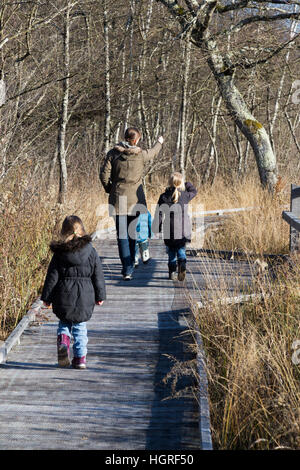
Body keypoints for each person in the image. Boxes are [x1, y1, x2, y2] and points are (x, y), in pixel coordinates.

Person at [41, 215, 106, 369]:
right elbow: (98, 275)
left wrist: (47, 298)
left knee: (64, 323)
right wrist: (100, 295)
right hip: (85, 297)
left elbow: (52, 277)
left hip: (63, 295)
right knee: (80, 328)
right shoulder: (91, 252)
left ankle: (64, 342)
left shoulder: (59, 253)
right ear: (82, 231)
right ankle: (80, 359)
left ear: (64, 233)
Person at [100, 127, 163, 280]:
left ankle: (127, 269)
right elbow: (153, 151)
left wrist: (110, 188)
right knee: (132, 233)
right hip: (136, 200)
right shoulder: (140, 155)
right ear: (136, 140)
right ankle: (131, 264)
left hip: (118, 198)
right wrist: (159, 142)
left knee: (122, 235)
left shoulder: (113, 153)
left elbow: (103, 175)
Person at [154, 172, 197, 281]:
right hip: (183, 230)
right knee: (181, 249)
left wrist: (157, 227)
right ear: (181, 183)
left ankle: (172, 272)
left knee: (171, 252)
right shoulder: (185, 196)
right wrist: (186, 183)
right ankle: (182, 264)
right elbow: (194, 191)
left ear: (169, 183)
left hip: (169, 230)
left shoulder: (163, 197)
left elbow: (159, 213)